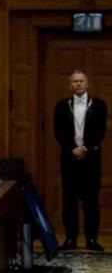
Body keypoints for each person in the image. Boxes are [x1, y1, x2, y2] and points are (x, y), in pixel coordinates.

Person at [54, 70, 108, 251]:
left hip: (91, 159)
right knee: (69, 200)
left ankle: (92, 239)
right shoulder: (61, 106)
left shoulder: (99, 105)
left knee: (91, 200)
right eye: (75, 81)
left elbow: (100, 131)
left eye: (81, 81)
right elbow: (58, 132)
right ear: (70, 85)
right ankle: (70, 239)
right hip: (69, 159)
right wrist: (73, 149)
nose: (78, 84)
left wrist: (84, 148)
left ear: (87, 84)